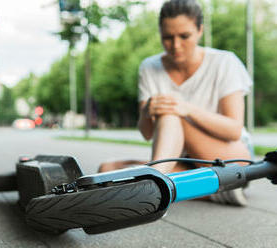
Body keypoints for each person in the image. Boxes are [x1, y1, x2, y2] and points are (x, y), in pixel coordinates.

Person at [98, 0, 253, 206]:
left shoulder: (225, 62)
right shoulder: (149, 67)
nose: (176, 45)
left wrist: (186, 109)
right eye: (168, 38)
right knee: (107, 170)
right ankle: (205, 189)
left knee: (171, 111)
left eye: (184, 36)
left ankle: (156, 178)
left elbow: (234, 129)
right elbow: (147, 133)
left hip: (229, 155)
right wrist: (146, 112)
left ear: (200, 30)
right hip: (182, 158)